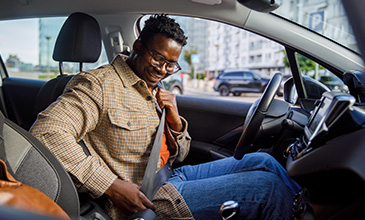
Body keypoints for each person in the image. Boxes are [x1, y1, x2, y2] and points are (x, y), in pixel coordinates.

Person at [30, 14, 300, 220]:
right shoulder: (98, 84)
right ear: (137, 45)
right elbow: (47, 133)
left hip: (173, 174)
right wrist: (110, 185)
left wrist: (175, 122)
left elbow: (179, 154)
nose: (164, 70)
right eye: (158, 58)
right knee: (268, 189)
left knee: (263, 160)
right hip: (147, 195)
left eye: (172, 64)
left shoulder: (153, 87)